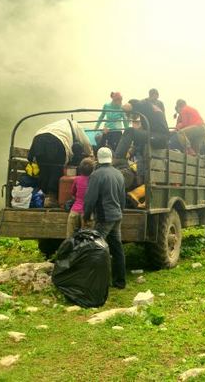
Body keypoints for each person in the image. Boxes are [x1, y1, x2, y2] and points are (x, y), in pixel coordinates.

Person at [83, 147, 127, 289]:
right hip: (117, 215)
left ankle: (95, 283)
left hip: (104, 217)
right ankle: (120, 282)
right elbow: (122, 198)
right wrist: (120, 211)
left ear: (97, 158)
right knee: (117, 248)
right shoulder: (119, 174)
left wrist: (86, 215)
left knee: (95, 247)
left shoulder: (96, 175)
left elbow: (90, 199)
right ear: (111, 158)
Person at [27, 119, 93, 207]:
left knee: (44, 169)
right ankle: (51, 198)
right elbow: (86, 142)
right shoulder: (76, 125)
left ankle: (45, 197)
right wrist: (90, 154)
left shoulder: (59, 124)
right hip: (56, 141)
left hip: (38, 139)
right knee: (56, 169)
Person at [113, 99, 169, 168]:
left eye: (130, 115)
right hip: (158, 136)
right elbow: (140, 133)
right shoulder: (148, 109)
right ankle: (138, 169)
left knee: (129, 131)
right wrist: (131, 150)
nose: (131, 117)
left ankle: (118, 159)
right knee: (135, 136)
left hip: (159, 137)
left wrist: (117, 103)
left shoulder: (142, 104)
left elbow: (125, 107)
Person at [65, 157, 95, 237]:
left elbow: (72, 193)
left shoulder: (77, 179)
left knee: (70, 238)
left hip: (74, 211)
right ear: (92, 170)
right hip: (87, 212)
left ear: (80, 169)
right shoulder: (93, 180)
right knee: (86, 239)